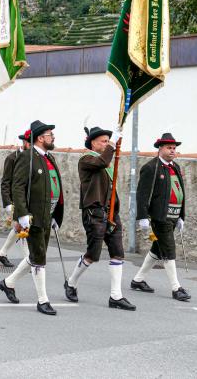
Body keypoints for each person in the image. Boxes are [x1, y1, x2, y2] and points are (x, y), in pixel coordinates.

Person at [64, 125, 135, 310]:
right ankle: (71, 282)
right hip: (94, 211)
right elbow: (102, 162)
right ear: (93, 143)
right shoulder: (86, 159)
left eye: (107, 140)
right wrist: (113, 144)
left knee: (118, 252)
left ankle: (116, 296)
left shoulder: (105, 160)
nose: (106, 143)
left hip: (111, 211)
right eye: (103, 141)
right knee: (93, 255)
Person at [0, 120, 64, 316]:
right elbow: (17, 186)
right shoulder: (27, 157)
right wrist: (22, 213)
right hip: (33, 216)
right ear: (41, 138)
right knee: (39, 257)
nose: (53, 137)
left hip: (46, 214)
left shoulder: (48, 157)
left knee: (36, 255)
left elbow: (53, 186)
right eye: (50, 134)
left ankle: (8, 283)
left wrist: (55, 214)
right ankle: (42, 300)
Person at [131, 133, 191, 302]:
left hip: (174, 215)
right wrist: (142, 217)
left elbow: (180, 193)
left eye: (174, 148)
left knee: (158, 249)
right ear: (160, 148)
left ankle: (138, 280)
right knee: (169, 249)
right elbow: (142, 194)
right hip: (160, 217)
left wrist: (181, 216)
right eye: (168, 148)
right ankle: (176, 288)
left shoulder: (175, 167)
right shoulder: (151, 167)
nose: (172, 151)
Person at [0, 130, 31, 267]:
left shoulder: (33, 157)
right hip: (16, 198)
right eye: (29, 142)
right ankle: (28, 260)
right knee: (23, 227)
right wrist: (7, 202)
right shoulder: (12, 158)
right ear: (24, 142)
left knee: (19, 226)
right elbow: (6, 181)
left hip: (28, 198)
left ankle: (2, 254)